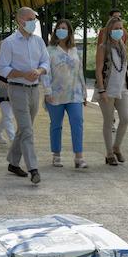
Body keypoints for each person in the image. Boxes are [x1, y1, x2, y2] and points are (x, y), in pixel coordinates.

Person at [0, 7, 50, 184]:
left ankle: (13, 162)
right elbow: (2, 69)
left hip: (34, 90)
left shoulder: (39, 41)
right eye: (30, 19)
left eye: (34, 19)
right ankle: (33, 169)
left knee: (23, 129)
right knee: (27, 130)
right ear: (19, 21)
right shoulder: (9, 43)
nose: (33, 22)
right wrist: (22, 74)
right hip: (17, 89)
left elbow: (46, 61)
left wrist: (39, 70)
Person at [42, 19, 88, 169]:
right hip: (55, 94)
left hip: (74, 94)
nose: (62, 30)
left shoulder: (75, 50)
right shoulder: (49, 50)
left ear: (69, 32)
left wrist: (84, 91)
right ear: (55, 31)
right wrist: (47, 91)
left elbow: (80, 71)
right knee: (56, 125)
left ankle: (79, 157)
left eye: (65, 28)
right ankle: (56, 155)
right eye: (59, 28)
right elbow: (45, 73)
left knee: (78, 123)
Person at [95, 18, 128, 166]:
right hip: (107, 90)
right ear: (110, 30)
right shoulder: (103, 47)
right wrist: (102, 90)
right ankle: (109, 153)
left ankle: (116, 147)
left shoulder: (123, 48)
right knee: (109, 122)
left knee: (125, 119)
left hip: (122, 89)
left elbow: (126, 71)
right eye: (116, 28)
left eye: (121, 28)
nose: (119, 31)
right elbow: (98, 70)